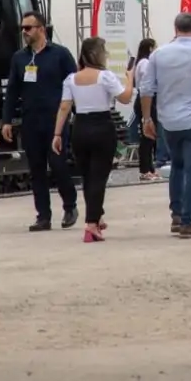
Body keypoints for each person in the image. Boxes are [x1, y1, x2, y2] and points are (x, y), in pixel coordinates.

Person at [140, 12, 191, 238]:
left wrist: (147, 119)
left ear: (175, 29)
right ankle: (187, 221)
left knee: (176, 165)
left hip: (169, 121)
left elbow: (147, 88)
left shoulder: (159, 54)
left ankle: (176, 214)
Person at [2, 11, 79, 232]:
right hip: (30, 120)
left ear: (41, 29)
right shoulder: (19, 58)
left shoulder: (60, 55)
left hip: (56, 120)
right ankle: (43, 216)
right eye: (22, 28)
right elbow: (13, 90)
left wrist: (77, 112)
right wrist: (7, 120)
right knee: (36, 168)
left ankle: (70, 205)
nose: (24, 32)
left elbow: (74, 84)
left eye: (28, 28)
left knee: (57, 164)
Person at [52, 37, 133, 242]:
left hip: (80, 127)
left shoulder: (71, 79)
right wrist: (130, 78)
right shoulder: (105, 77)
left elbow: (64, 107)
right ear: (98, 54)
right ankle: (91, 224)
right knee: (99, 177)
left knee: (88, 176)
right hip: (102, 126)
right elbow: (124, 97)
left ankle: (96, 217)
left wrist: (57, 134)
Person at [129, 38, 166, 181]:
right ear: (150, 48)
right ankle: (145, 170)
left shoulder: (143, 63)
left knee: (151, 136)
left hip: (149, 98)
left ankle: (150, 168)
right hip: (146, 99)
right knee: (147, 136)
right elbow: (148, 82)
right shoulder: (145, 63)